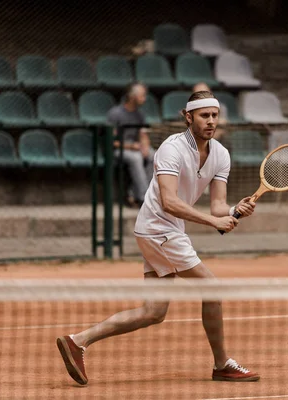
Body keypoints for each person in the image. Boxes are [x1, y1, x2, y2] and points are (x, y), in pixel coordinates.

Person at [56, 90, 260, 385]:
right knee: (212, 288)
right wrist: (214, 221)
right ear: (188, 117)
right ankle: (221, 364)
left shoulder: (221, 155)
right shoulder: (171, 148)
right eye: (204, 115)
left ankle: (78, 341)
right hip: (157, 228)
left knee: (153, 312)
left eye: (215, 115)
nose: (211, 121)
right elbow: (168, 201)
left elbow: (217, 205)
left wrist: (232, 210)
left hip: (167, 230)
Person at [107, 82, 155, 207]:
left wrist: (144, 146)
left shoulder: (139, 115)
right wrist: (131, 146)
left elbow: (143, 134)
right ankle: (144, 198)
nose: (144, 99)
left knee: (153, 155)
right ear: (132, 97)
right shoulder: (115, 114)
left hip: (136, 147)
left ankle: (140, 193)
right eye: (142, 96)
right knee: (136, 158)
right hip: (120, 149)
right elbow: (112, 141)